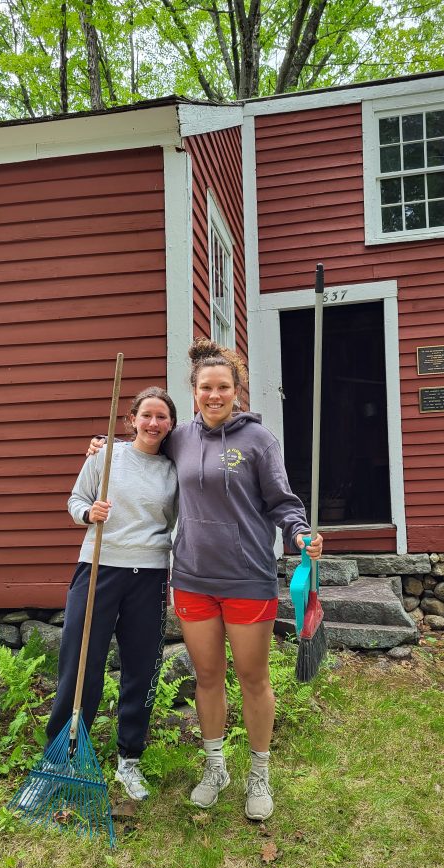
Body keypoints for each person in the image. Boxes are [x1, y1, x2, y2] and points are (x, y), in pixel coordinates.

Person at [90, 339, 322, 820]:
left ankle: (259, 773)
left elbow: (283, 502)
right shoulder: (180, 438)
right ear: (193, 392)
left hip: (247, 577)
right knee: (208, 676)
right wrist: (104, 447)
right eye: (204, 388)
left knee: (253, 677)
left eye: (223, 387)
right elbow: (143, 445)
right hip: (192, 577)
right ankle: (215, 768)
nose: (214, 395)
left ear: (237, 390)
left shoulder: (259, 441)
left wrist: (300, 534)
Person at [39, 386, 178, 802]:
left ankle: (129, 759)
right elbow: (76, 499)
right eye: (147, 415)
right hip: (99, 568)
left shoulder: (174, 468)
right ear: (131, 419)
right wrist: (88, 513)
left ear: (171, 425)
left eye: (163, 417)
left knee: (140, 666)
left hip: (149, 573)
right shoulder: (104, 456)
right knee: (81, 663)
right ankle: (60, 755)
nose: (154, 423)